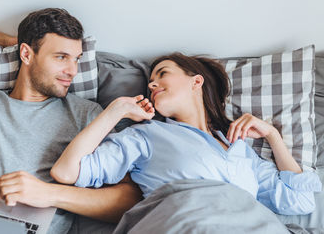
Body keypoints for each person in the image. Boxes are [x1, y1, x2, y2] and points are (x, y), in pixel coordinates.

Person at [0, 7, 142, 232]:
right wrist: (6, 42)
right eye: (61, 57)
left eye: (76, 59)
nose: (72, 70)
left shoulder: (87, 115)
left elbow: (130, 198)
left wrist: (49, 194)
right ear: (26, 54)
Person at [50, 52, 322, 215]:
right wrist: (115, 111)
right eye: (150, 81)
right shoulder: (147, 135)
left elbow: (300, 200)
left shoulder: (240, 150)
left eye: (162, 73)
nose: (152, 83)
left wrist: (272, 135)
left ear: (196, 81)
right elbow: (66, 172)